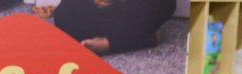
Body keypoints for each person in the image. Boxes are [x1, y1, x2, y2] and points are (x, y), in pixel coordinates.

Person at [37, 0, 176, 55]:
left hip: (134, 5)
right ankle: (143, 37)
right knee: (64, 15)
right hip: (108, 13)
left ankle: (110, 44)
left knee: (161, 4)